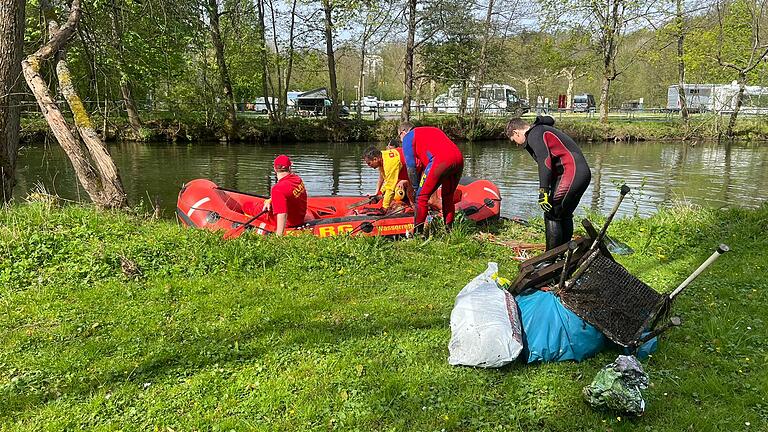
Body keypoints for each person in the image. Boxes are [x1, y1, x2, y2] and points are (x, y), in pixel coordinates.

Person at [505, 116, 591, 250]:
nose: (516, 144)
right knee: (563, 214)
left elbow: (545, 162)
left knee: (551, 213)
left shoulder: (534, 134)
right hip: (580, 174)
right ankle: (562, 254)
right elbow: (553, 164)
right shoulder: (541, 131)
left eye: (514, 140)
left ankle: (549, 259)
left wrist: (543, 191)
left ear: (516, 132)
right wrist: (550, 188)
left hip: (571, 172)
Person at [399, 121, 464, 233]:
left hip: (441, 161)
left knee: (421, 198)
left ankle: (418, 233)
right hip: (458, 158)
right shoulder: (432, 130)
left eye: (399, 136)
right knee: (448, 197)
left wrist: (415, 188)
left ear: (403, 133)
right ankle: (449, 231)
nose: (401, 141)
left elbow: (411, 166)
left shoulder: (408, 138)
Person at [245, 154, 307, 236]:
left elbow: (282, 214)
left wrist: (279, 236)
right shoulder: (296, 179)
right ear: (289, 168)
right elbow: (287, 193)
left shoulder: (277, 189)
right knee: (265, 203)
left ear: (275, 169)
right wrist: (270, 200)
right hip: (299, 217)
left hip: (289, 223)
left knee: (246, 205)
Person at [363, 145, 413, 214]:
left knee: (412, 194)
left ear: (375, 159)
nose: (369, 166)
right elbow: (387, 181)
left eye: (369, 163)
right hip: (411, 173)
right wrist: (379, 194)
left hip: (419, 168)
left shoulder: (389, 163)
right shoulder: (382, 158)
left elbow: (390, 188)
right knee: (410, 193)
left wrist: (384, 208)